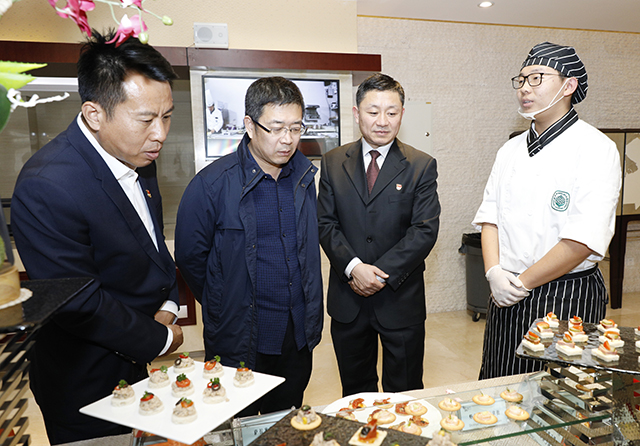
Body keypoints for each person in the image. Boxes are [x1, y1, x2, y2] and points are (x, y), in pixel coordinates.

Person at [11, 31, 183, 444]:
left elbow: (151, 243)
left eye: (167, 116)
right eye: (146, 119)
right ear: (93, 113)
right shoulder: (48, 185)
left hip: (139, 374)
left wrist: (169, 303)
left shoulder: (140, 155)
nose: (160, 134)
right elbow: (78, 302)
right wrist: (160, 338)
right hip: (85, 384)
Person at [473, 42, 621, 379]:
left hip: (567, 293)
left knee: (560, 398)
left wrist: (523, 283)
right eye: (521, 79)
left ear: (569, 86)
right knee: (501, 384)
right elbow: (490, 216)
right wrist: (494, 273)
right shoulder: (509, 150)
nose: (524, 88)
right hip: (505, 291)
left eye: (536, 78)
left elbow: (583, 239)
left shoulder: (596, 148)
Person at [175, 77, 323, 415]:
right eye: (276, 128)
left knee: (287, 423)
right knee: (237, 425)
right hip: (240, 338)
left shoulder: (304, 178)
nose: (287, 140)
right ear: (250, 126)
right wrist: (224, 301)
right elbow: (190, 259)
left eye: (296, 128)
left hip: (296, 335)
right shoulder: (211, 185)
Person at [317, 73, 440, 396]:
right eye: (373, 112)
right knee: (356, 393)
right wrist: (354, 268)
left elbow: (424, 230)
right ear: (357, 114)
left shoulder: (421, 165)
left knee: (406, 392)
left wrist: (380, 274)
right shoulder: (332, 163)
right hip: (348, 298)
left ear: (402, 114)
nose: (382, 121)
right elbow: (325, 224)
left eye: (392, 112)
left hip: (400, 298)